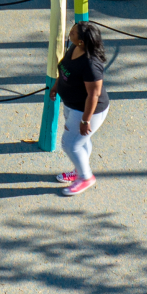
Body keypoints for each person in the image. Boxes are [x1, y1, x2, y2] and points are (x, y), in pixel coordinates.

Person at [54, 21, 108, 196]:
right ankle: (79, 170)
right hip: (72, 105)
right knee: (80, 141)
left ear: (82, 41)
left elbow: (94, 95)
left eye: (73, 33)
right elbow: (64, 70)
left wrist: (85, 120)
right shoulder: (74, 49)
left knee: (70, 144)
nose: (69, 34)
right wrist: (56, 86)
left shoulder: (91, 65)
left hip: (87, 111)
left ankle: (85, 177)